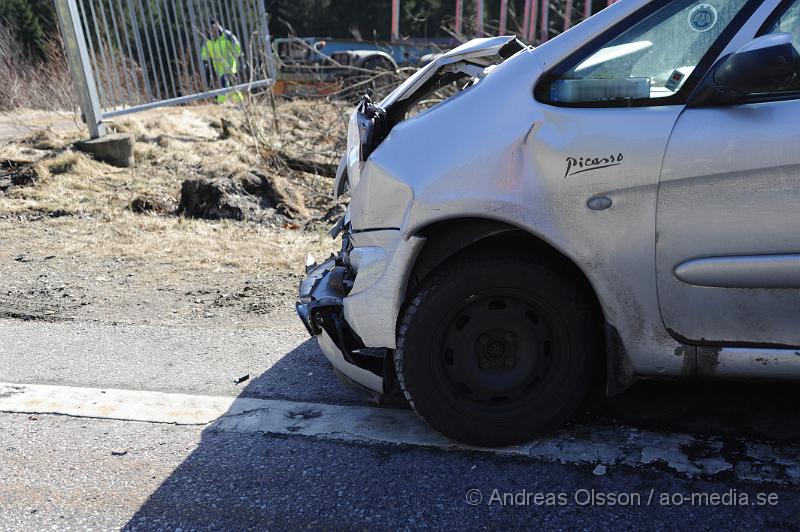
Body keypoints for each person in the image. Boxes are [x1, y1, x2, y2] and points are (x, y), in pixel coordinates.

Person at [201, 19, 243, 103]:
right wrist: (206, 66)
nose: (213, 30)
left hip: (230, 65)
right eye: (210, 29)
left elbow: (237, 47)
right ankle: (240, 103)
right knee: (231, 86)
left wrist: (240, 60)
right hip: (219, 68)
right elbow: (204, 55)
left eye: (214, 27)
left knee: (225, 81)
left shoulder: (227, 35)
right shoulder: (207, 41)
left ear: (218, 25)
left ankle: (219, 102)